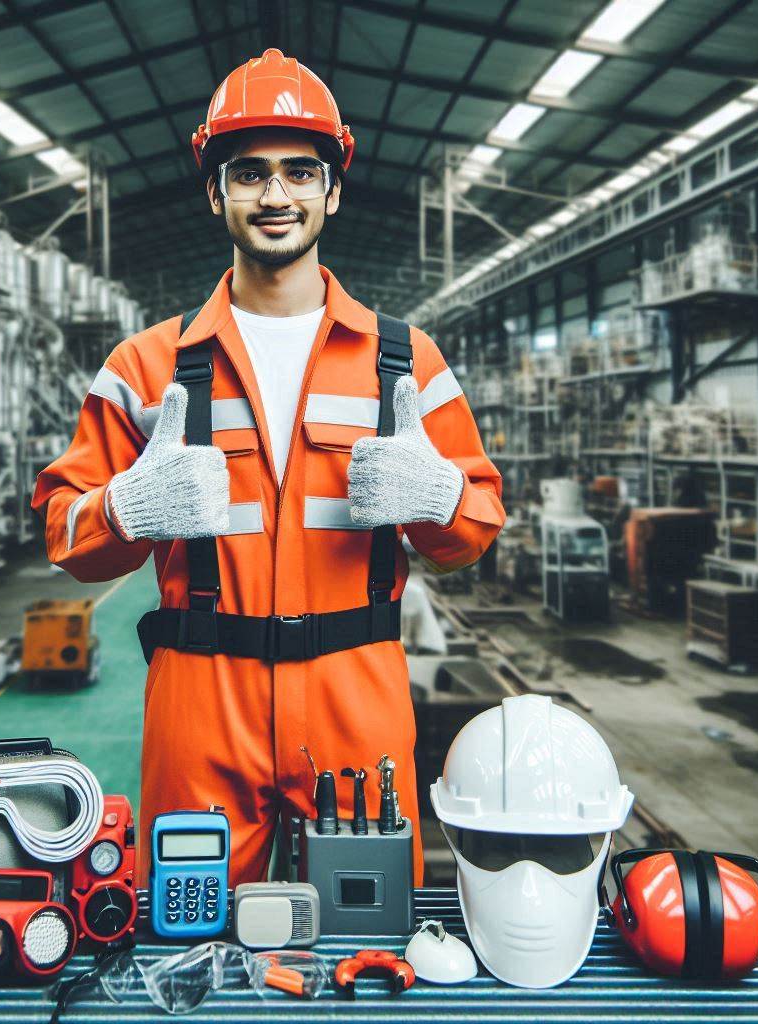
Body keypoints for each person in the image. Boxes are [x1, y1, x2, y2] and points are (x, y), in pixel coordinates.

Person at [32, 49, 505, 889]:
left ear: (333, 188)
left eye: (299, 171)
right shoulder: (147, 366)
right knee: (193, 935)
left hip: (355, 693)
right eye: (249, 173)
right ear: (215, 192)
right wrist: (125, 508)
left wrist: (437, 496)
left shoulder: (406, 362)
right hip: (200, 704)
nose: (277, 196)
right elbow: (64, 533)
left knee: (365, 936)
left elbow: (475, 526)